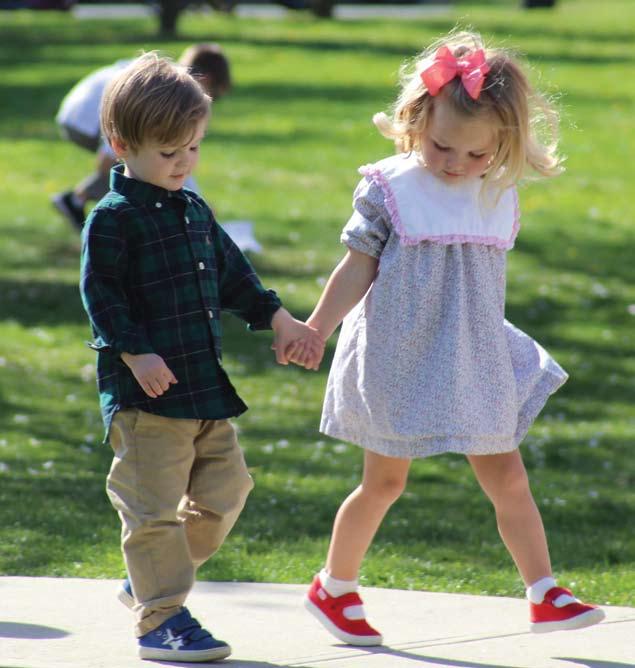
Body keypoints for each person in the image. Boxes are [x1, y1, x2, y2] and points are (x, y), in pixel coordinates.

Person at [289, 30, 605, 645]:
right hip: (401, 352)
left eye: (476, 153)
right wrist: (317, 328)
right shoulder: (391, 187)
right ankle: (334, 586)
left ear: (502, 144)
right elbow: (357, 266)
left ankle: (545, 592)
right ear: (417, 121)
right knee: (385, 482)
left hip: (474, 354)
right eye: (441, 146)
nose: (456, 163)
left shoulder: (495, 193)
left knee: (509, 477)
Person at [79, 52, 323, 662]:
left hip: (203, 387)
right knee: (152, 513)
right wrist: (135, 353)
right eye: (169, 151)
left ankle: (148, 577)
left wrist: (278, 318)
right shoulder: (112, 219)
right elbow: (101, 297)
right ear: (121, 146)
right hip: (147, 399)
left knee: (227, 491)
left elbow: (233, 274)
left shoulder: (192, 209)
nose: (184, 161)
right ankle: (160, 619)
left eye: (193, 147)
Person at [53, 43, 230, 230]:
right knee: (139, 169)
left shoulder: (165, 82)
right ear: (206, 80)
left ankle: (75, 199)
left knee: (147, 166)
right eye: (213, 96)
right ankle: (77, 200)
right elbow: (107, 160)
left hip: (75, 114)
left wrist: (196, 201)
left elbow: (176, 161)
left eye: (194, 147)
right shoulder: (157, 93)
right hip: (82, 120)